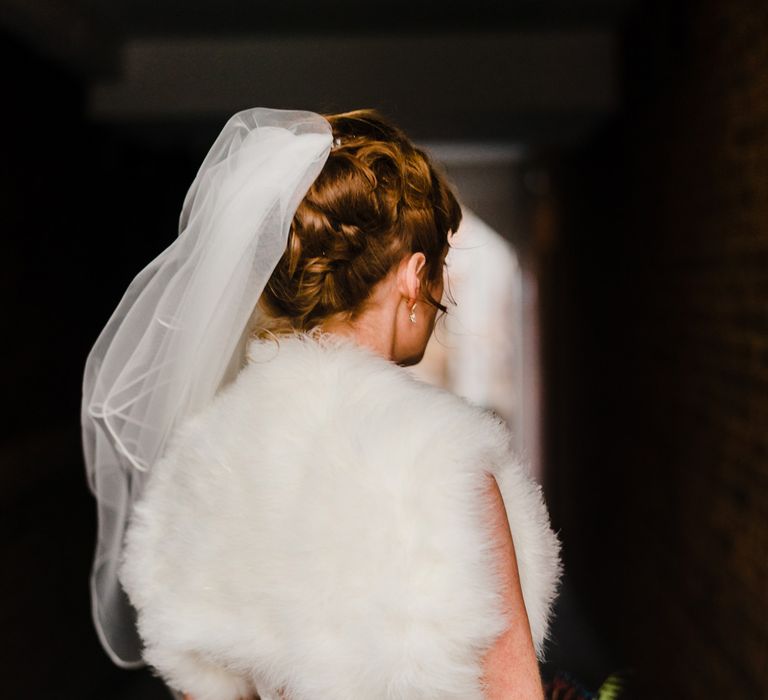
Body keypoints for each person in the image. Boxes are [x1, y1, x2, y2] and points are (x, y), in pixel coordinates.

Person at [82, 107, 562, 700]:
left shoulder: (206, 460)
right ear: (415, 278)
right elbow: (513, 690)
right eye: (440, 274)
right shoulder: (442, 456)